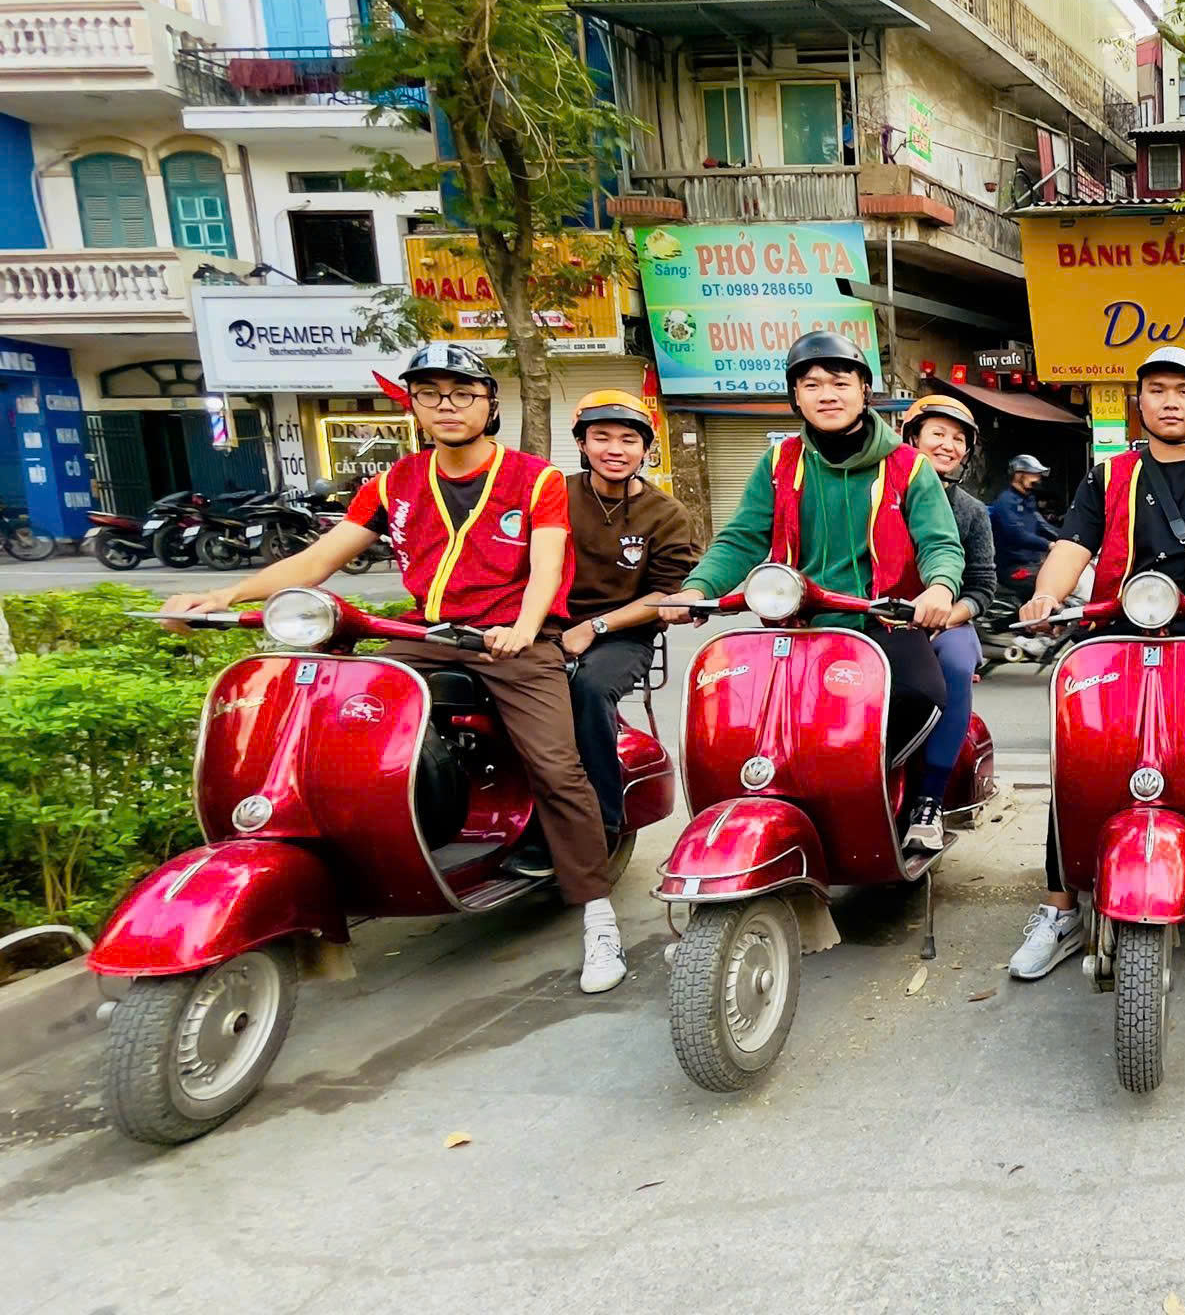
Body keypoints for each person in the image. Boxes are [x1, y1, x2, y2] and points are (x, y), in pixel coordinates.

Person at [159, 342, 633, 995]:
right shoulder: (393, 483)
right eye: (430, 393)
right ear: (413, 404)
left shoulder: (536, 479)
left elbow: (548, 564)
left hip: (512, 640)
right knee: (340, 716)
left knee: (557, 767)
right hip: (424, 635)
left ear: (490, 404)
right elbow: (318, 561)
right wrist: (224, 595)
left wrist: (524, 628)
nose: (447, 405)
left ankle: (597, 914)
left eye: (462, 393)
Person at [1006, 346, 1185, 984]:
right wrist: (1047, 596)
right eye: (1158, 390)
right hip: (1117, 636)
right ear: (1138, 402)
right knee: (1077, 764)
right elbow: (1073, 545)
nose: (1170, 402)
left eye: (1183, 391)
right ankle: (1060, 908)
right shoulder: (1107, 476)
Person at [657, 332, 966, 856]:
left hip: (883, 621)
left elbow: (940, 542)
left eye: (840, 383)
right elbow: (742, 537)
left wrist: (938, 588)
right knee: (738, 711)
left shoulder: (908, 466)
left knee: (922, 694)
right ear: (795, 396)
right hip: (797, 626)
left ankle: (887, 789)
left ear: (864, 391)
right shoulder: (779, 462)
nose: (827, 394)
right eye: (812, 384)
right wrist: (696, 588)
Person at [561, 389, 699, 838]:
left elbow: (666, 594)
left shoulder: (666, 513)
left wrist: (595, 626)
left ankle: (601, 820)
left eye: (628, 439)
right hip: (549, 626)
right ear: (582, 443)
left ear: (645, 449)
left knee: (589, 687)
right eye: (601, 437)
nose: (615, 450)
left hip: (624, 635)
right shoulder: (555, 495)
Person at [895, 394, 1000, 849]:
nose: (948, 445)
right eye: (937, 433)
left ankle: (929, 802)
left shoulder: (972, 511)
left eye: (958, 439)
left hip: (947, 624)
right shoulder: (878, 495)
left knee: (956, 664)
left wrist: (945, 616)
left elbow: (982, 586)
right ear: (912, 438)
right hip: (877, 619)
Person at [990, 452, 1062, 592]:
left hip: (1031, 564)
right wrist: (1048, 545)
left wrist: (1066, 538)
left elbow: (1041, 524)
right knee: (1055, 586)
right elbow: (1017, 534)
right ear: (1018, 475)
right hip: (1013, 568)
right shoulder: (1005, 501)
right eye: (1033, 474)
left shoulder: (1028, 499)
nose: (1037, 479)